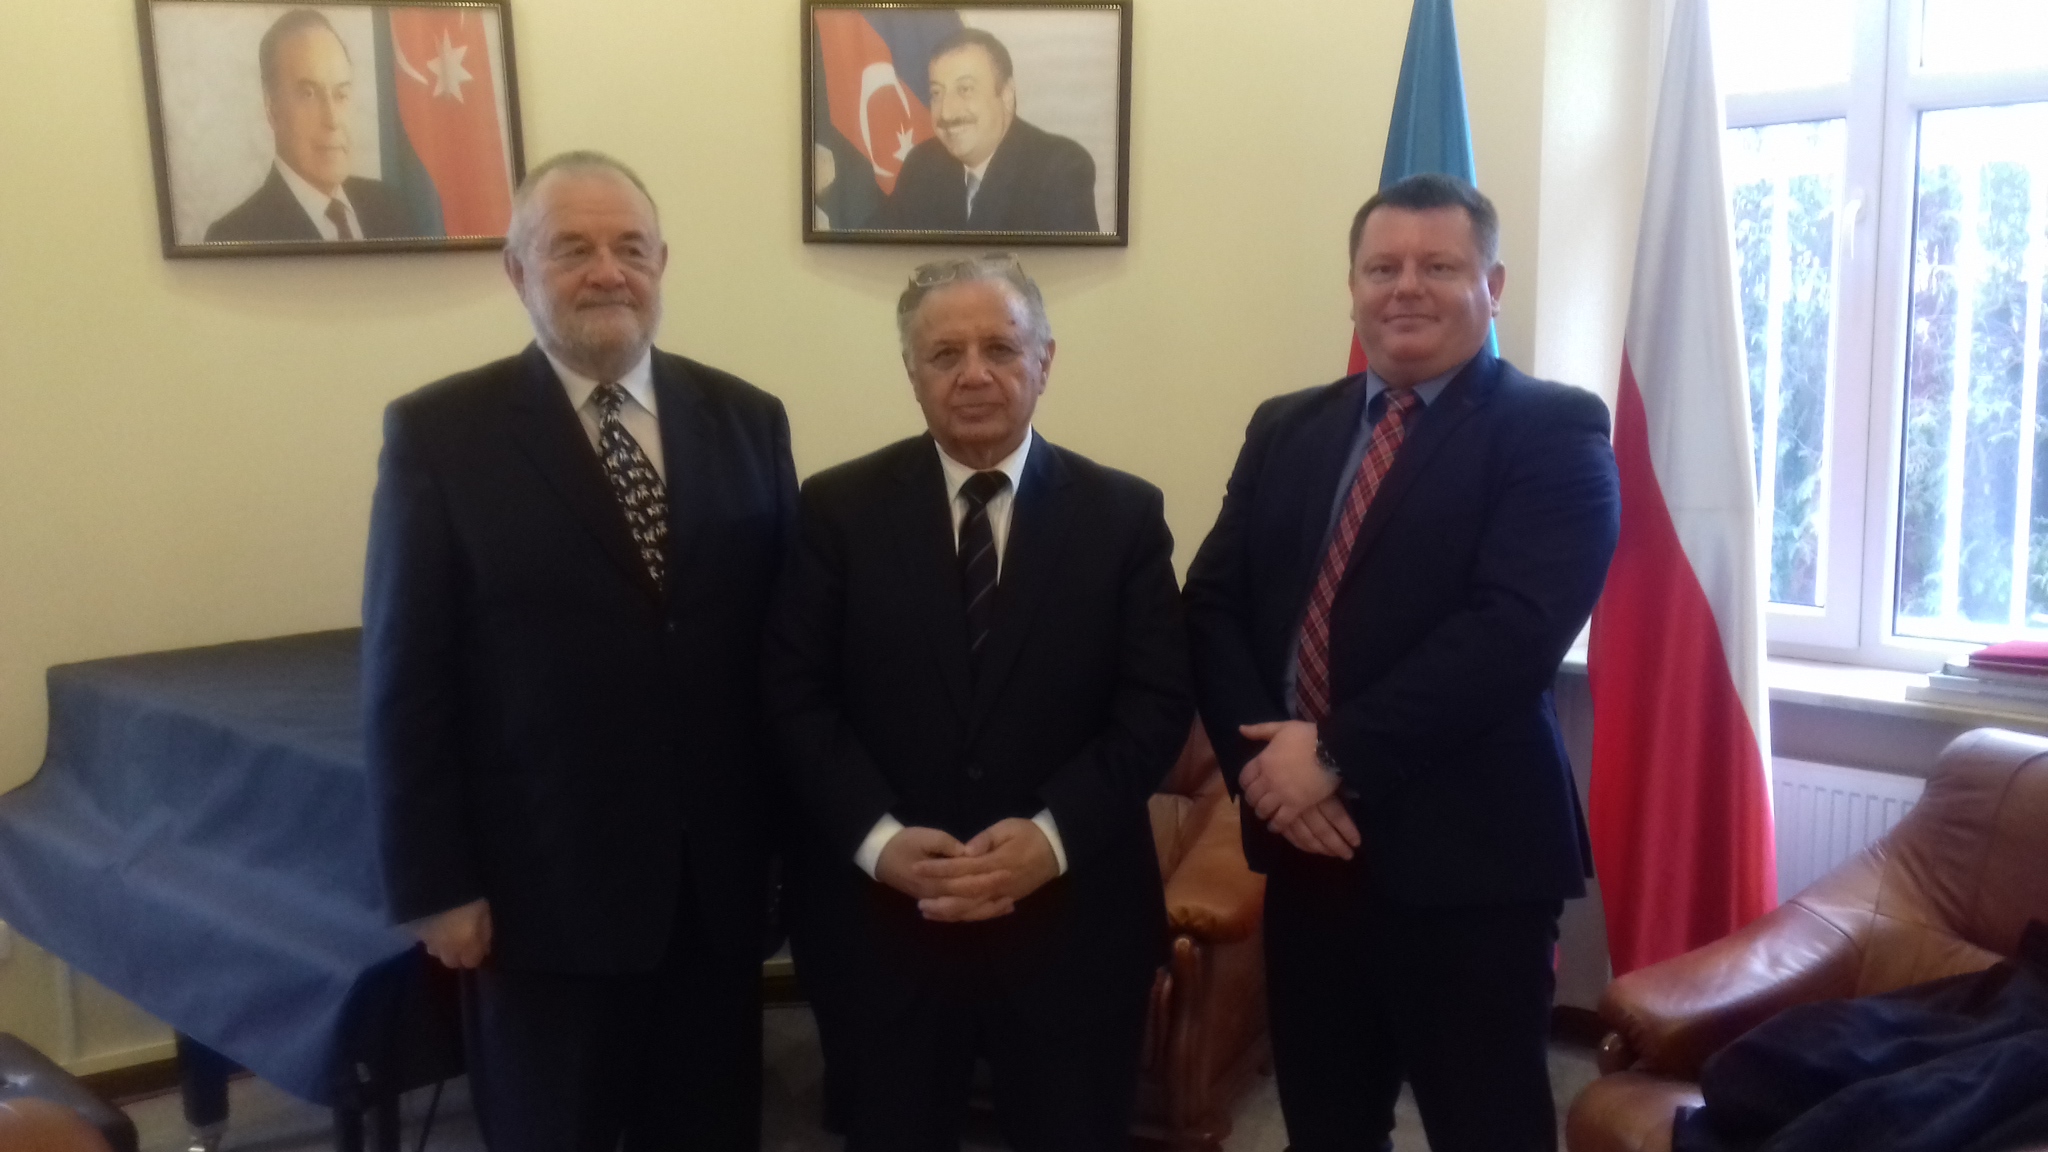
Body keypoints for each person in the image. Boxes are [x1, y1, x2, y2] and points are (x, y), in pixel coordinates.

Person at [362, 151, 795, 1151]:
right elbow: (405, 679)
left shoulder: (747, 419)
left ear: (661, 264)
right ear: (518, 270)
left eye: (630, 248)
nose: (608, 272)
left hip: (716, 894)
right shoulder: (440, 435)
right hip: (540, 901)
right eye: (573, 249)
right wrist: (434, 885)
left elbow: (780, 654)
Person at [1183, 173, 1621, 1152]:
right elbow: (1210, 604)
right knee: (1325, 1127)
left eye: (1438, 266)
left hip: (1468, 865)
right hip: (1307, 858)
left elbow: (1509, 635)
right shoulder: (1286, 426)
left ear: (1491, 285)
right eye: (1382, 268)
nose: (1405, 288)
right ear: (1352, 286)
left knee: (1488, 1129)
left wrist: (1330, 754)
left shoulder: (1554, 429)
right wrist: (1265, 774)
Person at [764, 254, 1191, 1151]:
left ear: (1044, 361)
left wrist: (1051, 837)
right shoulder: (836, 510)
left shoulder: (1122, 516)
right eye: (944, 353)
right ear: (910, 371)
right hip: (884, 929)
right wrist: (879, 843)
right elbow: (796, 699)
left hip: (1072, 925)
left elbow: (1154, 706)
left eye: (1000, 347)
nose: (973, 374)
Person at [205, 9, 412, 243]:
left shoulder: (390, 209)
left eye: (341, 94)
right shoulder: (236, 235)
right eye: (308, 94)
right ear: (273, 109)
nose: (332, 120)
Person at [869, 29, 1098, 234]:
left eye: (965, 89)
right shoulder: (921, 165)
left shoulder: (1059, 168)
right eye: (937, 93)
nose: (946, 113)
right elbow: (882, 252)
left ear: (1006, 95)